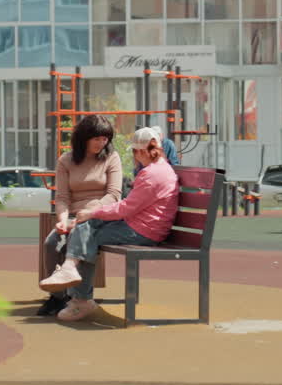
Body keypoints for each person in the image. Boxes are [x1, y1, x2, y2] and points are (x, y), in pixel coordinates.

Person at [39, 126, 179, 322]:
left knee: (87, 234)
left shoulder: (151, 174)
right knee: (86, 228)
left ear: (138, 151)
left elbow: (126, 208)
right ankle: (75, 283)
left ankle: (81, 298)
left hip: (143, 231)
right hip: (141, 225)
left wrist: (92, 212)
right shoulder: (158, 169)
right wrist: (90, 216)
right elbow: (128, 207)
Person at [38, 115, 123, 317]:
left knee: (79, 238)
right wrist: (62, 220)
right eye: (97, 138)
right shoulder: (66, 161)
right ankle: (58, 297)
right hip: (73, 215)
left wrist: (91, 212)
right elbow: (62, 197)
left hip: (100, 215)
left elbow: (114, 195)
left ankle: (79, 298)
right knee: (52, 243)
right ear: (84, 137)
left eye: (105, 139)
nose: (102, 143)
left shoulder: (112, 158)